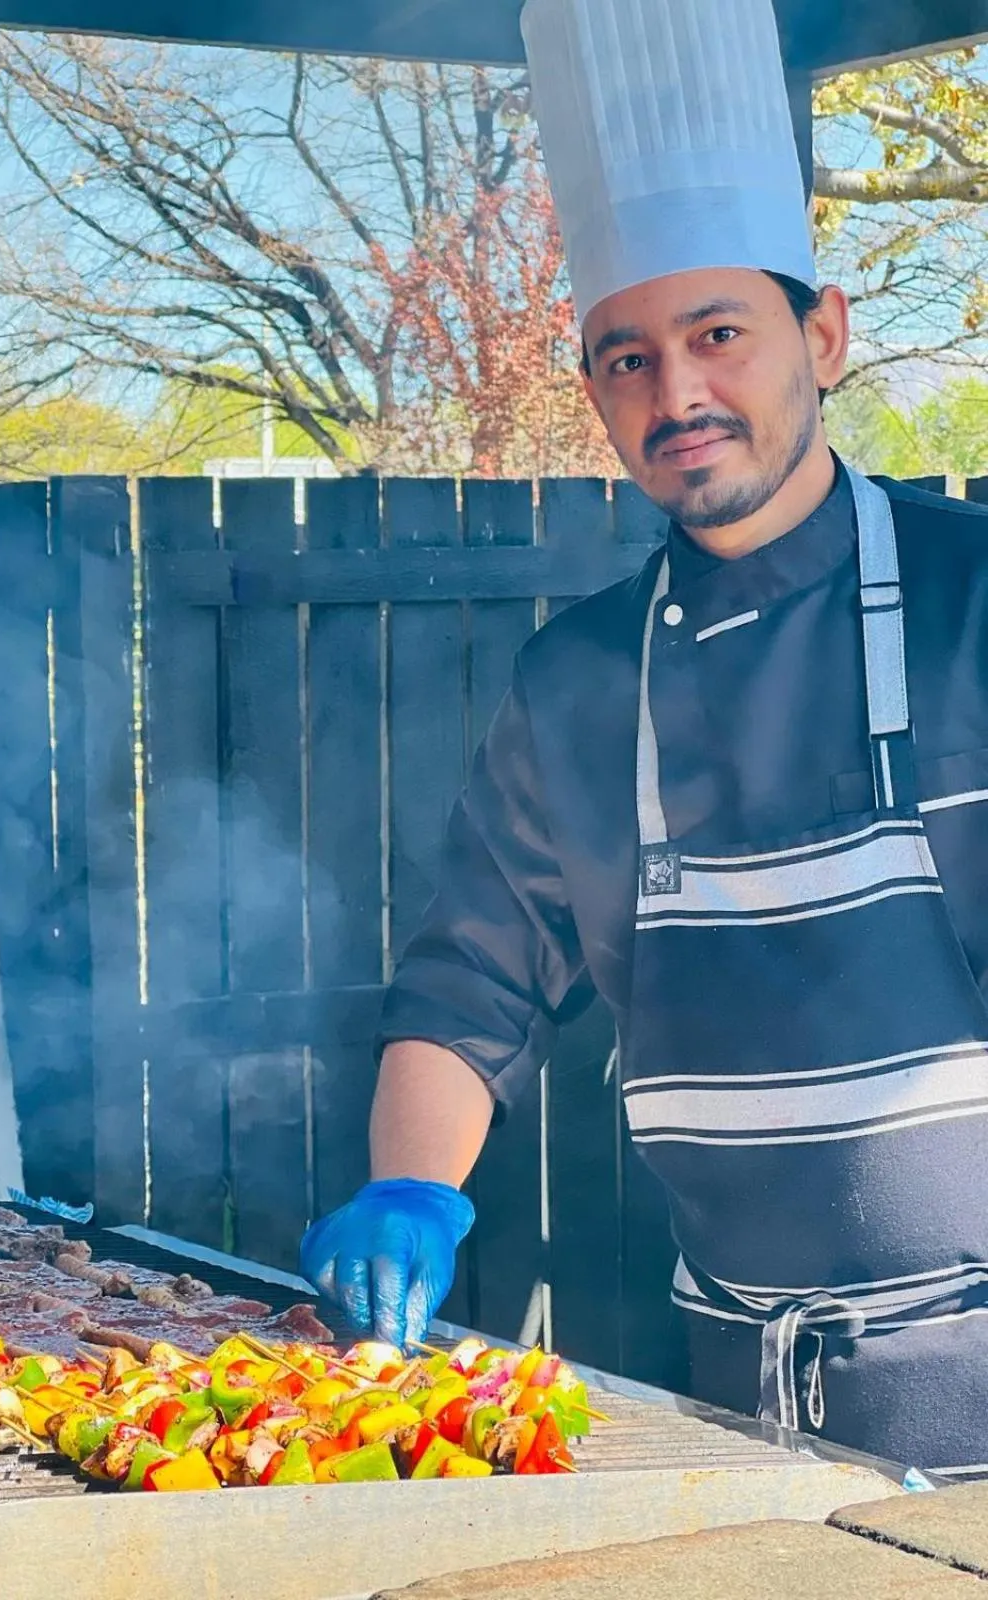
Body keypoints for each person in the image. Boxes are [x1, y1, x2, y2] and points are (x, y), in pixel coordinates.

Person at [301, 0, 988, 1475]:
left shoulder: (974, 597)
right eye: (626, 357)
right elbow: (470, 982)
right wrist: (408, 1189)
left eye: (719, 335)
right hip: (737, 1412)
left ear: (825, 336)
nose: (676, 392)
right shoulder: (580, 684)